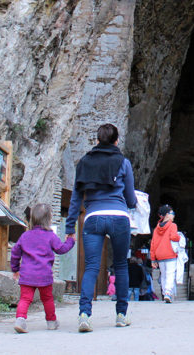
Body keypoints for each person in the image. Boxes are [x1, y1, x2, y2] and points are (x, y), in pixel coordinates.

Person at [66, 123, 137, 332]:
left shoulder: (84, 163)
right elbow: (131, 198)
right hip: (118, 216)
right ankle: (121, 315)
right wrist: (131, 203)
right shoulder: (123, 163)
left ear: (97, 140)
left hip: (93, 217)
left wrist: (70, 226)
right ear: (116, 141)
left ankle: (84, 314)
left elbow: (75, 198)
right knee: (121, 266)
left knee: (91, 268)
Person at [10, 203, 75, 333]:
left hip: (27, 275)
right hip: (44, 275)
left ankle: (20, 320)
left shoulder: (25, 236)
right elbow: (61, 249)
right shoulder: (51, 236)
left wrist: (15, 268)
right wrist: (70, 240)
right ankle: (51, 322)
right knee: (47, 299)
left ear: (32, 219)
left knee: (25, 299)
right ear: (49, 220)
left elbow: (15, 252)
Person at [150, 204, 181, 303]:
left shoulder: (156, 229)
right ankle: (168, 293)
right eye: (172, 213)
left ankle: (164, 293)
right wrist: (180, 237)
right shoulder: (172, 225)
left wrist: (153, 259)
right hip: (170, 254)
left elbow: (153, 244)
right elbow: (173, 237)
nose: (174, 215)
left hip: (160, 256)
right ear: (167, 215)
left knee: (163, 275)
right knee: (170, 274)